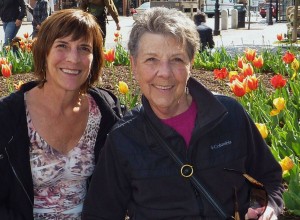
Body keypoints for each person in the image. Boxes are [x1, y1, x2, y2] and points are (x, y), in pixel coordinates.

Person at [82, 7, 284, 220]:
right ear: (134, 65)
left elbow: (268, 178)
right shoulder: (123, 139)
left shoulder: (230, 115)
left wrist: (267, 207)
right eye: (151, 59)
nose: (165, 73)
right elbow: (100, 213)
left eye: (177, 59)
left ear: (191, 62)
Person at [0, 9, 122, 219]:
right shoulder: (8, 116)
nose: (73, 59)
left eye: (84, 48)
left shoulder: (106, 112)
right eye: (62, 46)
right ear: (44, 51)